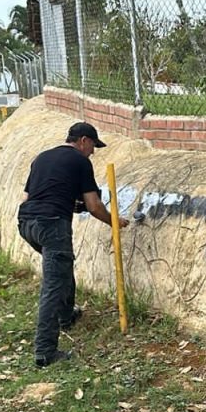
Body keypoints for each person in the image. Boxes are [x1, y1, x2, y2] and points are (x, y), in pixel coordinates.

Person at [18, 122, 129, 368]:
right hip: (51, 224)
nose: (93, 152)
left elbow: (27, 197)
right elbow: (93, 206)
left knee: (62, 265)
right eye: (93, 146)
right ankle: (45, 352)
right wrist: (115, 221)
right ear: (83, 141)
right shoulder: (80, 162)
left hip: (26, 223)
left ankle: (66, 316)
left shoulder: (42, 158)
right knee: (54, 284)